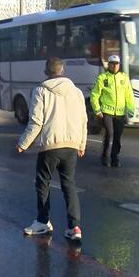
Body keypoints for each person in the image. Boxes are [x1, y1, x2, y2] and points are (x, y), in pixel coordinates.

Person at [18, 57, 87, 241]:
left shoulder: (41, 91)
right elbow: (83, 120)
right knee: (69, 186)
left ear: (46, 71)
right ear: (62, 70)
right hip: (71, 146)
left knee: (42, 183)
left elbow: (36, 122)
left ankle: (43, 221)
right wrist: (82, 144)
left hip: (50, 146)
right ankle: (75, 228)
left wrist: (23, 144)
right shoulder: (77, 92)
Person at [90, 55, 134, 167]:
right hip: (107, 112)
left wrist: (130, 109)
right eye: (112, 63)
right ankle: (105, 156)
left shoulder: (124, 78)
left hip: (120, 113)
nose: (115, 66)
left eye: (117, 63)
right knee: (110, 133)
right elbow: (94, 95)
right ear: (108, 64)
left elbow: (129, 95)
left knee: (117, 137)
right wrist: (97, 110)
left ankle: (115, 158)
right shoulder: (102, 77)